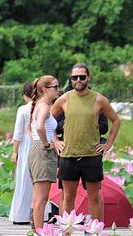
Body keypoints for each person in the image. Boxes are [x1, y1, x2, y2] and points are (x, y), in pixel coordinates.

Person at [50, 64, 121, 224]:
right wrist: (55, 141)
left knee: (94, 196)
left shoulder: (99, 99)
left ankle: (95, 235)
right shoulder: (64, 98)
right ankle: (66, 235)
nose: (78, 80)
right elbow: (49, 119)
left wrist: (108, 144)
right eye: (74, 77)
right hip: (69, 155)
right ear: (71, 79)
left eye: (82, 77)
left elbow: (116, 120)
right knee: (68, 197)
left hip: (92, 155)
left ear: (88, 78)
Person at [27, 76, 62, 231]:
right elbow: (40, 127)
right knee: (42, 198)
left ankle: (36, 231)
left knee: (37, 197)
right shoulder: (44, 107)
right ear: (44, 89)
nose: (58, 89)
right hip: (43, 151)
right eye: (55, 87)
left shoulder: (39, 105)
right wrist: (48, 143)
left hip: (36, 149)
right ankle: (39, 234)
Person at [9, 81, 36, 224]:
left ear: (26, 95)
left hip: (26, 145)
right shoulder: (45, 107)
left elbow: (18, 133)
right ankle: (40, 214)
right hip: (39, 144)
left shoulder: (23, 109)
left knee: (24, 179)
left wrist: (14, 152)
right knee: (38, 181)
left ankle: (21, 215)